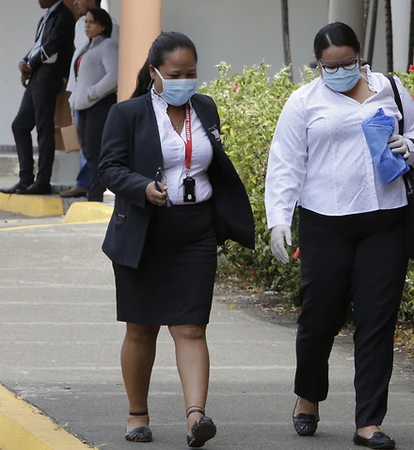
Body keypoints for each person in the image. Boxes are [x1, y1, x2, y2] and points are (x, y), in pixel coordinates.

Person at [265, 21, 414, 450]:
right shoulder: (303, 102)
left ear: (361, 57)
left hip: (385, 220)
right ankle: (308, 395)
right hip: (326, 222)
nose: (339, 72)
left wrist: (408, 147)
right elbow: (285, 164)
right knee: (320, 316)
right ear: (317, 65)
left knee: (377, 321)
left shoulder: (389, 89)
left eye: (347, 63)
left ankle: (369, 422)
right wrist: (279, 220)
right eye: (329, 66)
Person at [98, 32, 255, 447]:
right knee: (141, 328)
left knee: (191, 328)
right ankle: (137, 414)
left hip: (195, 232)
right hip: (145, 232)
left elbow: (211, 166)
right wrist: (142, 188)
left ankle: (195, 417)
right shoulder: (128, 114)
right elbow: (108, 168)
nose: (186, 81)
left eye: (192, 73)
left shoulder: (204, 108)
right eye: (176, 74)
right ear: (155, 73)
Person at [1, 0, 75, 195]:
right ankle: (25, 180)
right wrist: (23, 63)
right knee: (20, 125)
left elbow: (51, 46)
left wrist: (30, 66)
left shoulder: (64, 16)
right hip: (37, 76)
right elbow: (38, 45)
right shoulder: (46, 17)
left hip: (49, 77)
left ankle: (43, 181)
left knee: (44, 128)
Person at [61, 0, 119, 199]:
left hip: (98, 105)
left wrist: (92, 93)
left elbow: (114, 76)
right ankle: (93, 190)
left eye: (91, 22)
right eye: (86, 22)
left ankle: (96, 192)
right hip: (84, 107)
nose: (87, 25)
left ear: (102, 25)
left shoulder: (109, 45)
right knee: (87, 149)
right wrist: (76, 101)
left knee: (94, 151)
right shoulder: (87, 47)